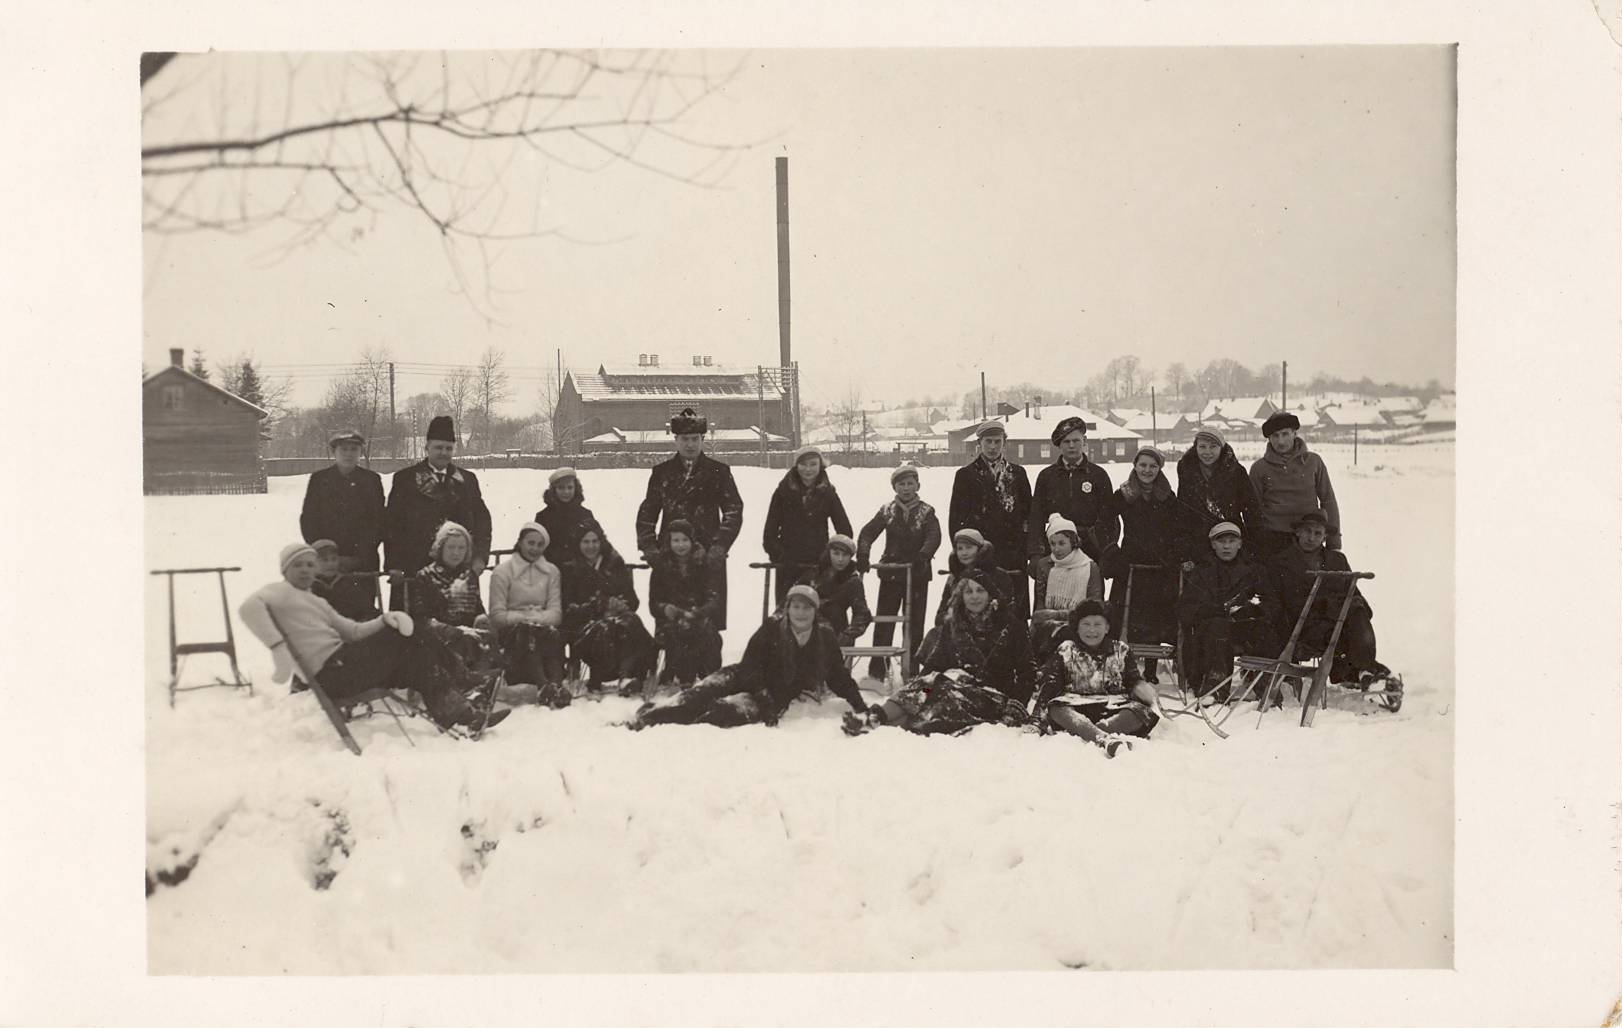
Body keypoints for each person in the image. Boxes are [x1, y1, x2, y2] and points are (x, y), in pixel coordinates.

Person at [238, 543, 508, 732]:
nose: (306, 570)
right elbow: (248, 608)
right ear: (285, 569)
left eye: (311, 564)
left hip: (346, 665)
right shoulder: (278, 592)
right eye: (298, 565)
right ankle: (462, 677)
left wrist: (384, 619)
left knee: (416, 657)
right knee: (409, 636)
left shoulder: (313, 600)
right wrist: (277, 649)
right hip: (333, 672)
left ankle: (460, 716)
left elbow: (353, 632)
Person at [631, 585, 873, 729]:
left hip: (777, 691)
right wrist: (761, 692)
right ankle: (650, 716)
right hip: (746, 675)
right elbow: (750, 664)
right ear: (787, 608)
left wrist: (859, 704)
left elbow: (838, 676)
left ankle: (688, 723)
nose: (801, 613)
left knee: (721, 714)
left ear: (815, 610)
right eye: (796, 607)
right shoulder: (772, 627)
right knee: (700, 693)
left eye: (807, 607)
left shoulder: (825, 638)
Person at [841, 570, 1034, 736]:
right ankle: (876, 718)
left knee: (936, 696)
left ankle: (878, 724)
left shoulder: (1010, 626)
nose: (974, 596)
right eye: (968, 591)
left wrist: (1016, 704)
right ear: (961, 596)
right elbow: (933, 667)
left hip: (991, 699)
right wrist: (918, 688)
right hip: (951, 688)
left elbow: (1027, 673)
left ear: (990, 594)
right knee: (926, 689)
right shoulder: (954, 625)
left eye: (980, 590)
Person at [1096, 446, 1203, 683]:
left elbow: (1183, 528)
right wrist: (1112, 548)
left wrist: (1177, 553)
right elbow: (1103, 521)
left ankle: (1152, 671)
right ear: (1135, 465)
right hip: (1131, 564)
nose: (1147, 470)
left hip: (1160, 566)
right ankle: (1121, 667)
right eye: (1143, 465)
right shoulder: (1124, 493)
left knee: (1156, 618)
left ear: (1159, 469)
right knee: (1124, 617)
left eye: (1153, 466)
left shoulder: (1167, 495)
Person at [635, 407, 744, 629]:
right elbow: (647, 513)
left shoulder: (719, 472)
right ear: (675, 440)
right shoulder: (661, 473)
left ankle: (710, 664)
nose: (690, 444)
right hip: (671, 556)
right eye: (685, 439)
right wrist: (650, 548)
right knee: (669, 622)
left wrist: (719, 546)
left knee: (706, 624)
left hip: (706, 557)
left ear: (703, 439)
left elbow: (733, 509)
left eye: (695, 438)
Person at [1264, 511, 1396, 691]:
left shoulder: (1337, 560)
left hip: (1337, 621)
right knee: (1343, 635)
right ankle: (1363, 672)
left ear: (1325, 537)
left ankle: (1364, 671)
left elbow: (1354, 594)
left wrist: (1348, 608)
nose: (1311, 537)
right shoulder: (1279, 562)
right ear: (1298, 532)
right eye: (1307, 531)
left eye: (1318, 533)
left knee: (1357, 610)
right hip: (1302, 627)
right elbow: (1277, 603)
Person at [1030, 600, 1159, 758]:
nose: (1092, 630)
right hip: (1076, 708)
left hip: (1114, 709)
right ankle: (1104, 738)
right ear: (1077, 628)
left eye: (1097, 624)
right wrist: (1036, 720)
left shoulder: (1121, 649)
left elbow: (1133, 681)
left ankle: (1093, 731)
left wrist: (1141, 687)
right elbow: (1050, 686)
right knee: (1056, 708)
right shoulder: (1066, 649)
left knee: (1142, 712)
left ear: (1107, 627)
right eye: (1086, 624)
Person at [384, 416, 492, 604]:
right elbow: (391, 525)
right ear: (427, 448)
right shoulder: (406, 479)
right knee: (414, 627)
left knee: (459, 623)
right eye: (438, 447)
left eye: (448, 448)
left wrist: (480, 557)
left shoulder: (467, 480)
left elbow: (482, 521)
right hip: (414, 568)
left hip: (457, 569)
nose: (443, 453)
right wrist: (394, 565)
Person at [855, 463, 942, 680]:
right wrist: (863, 555)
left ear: (917, 485)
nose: (906, 488)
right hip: (891, 573)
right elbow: (867, 533)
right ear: (895, 487)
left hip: (917, 573)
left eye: (910, 483)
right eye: (901, 484)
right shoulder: (887, 511)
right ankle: (878, 669)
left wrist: (924, 555)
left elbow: (934, 535)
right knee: (885, 620)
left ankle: (911, 668)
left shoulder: (926, 511)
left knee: (914, 622)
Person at [1176, 522, 1278, 700]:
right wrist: (1216, 611)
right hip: (1210, 631)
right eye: (1221, 541)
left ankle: (1266, 688)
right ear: (1213, 544)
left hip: (1243, 627)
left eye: (1232, 541)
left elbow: (1270, 603)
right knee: (1217, 628)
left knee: (1265, 632)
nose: (1226, 546)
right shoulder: (1200, 572)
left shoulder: (1254, 571)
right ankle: (1215, 690)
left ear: (1240, 544)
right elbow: (1186, 609)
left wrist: (1249, 610)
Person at [949, 421, 1033, 617]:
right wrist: (962, 553)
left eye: (997, 441)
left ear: (1005, 443)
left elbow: (1028, 515)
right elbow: (956, 520)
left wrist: (1026, 548)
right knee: (979, 610)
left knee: (1013, 612)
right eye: (988, 442)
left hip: (1012, 555)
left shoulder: (1018, 474)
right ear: (980, 443)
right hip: (979, 555)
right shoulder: (965, 476)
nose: (993, 447)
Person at [561, 518, 657, 690]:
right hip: (585, 627)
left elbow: (632, 600)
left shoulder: (614, 563)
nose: (591, 546)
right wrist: (598, 606)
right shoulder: (570, 569)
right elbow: (568, 608)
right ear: (578, 543)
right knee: (604, 629)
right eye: (586, 542)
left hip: (617, 621)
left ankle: (626, 677)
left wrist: (620, 604)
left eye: (595, 541)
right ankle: (598, 678)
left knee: (631, 621)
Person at [762, 444, 854, 606]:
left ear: (821, 466)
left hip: (819, 566)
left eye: (813, 464)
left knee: (822, 614)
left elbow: (844, 530)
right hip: (789, 566)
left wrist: (831, 557)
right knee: (788, 612)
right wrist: (781, 557)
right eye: (803, 464)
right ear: (796, 466)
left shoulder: (828, 493)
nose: (808, 469)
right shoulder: (783, 492)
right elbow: (769, 533)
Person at [488, 522, 568, 705]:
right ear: (520, 542)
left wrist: (535, 620)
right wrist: (526, 618)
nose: (535, 548)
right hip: (512, 634)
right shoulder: (502, 572)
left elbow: (556, 614)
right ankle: (543, 686)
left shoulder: (551, 572)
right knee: (527, 631)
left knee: (554, 633)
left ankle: (556, 685)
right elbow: (497, 615)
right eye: (530, 543)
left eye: (540, 545)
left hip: (543, 631)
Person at [1249, 412, 1342, 557]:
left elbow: (1328, 499)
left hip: (1308, 537)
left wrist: (1334, 540)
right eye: (1275, 436)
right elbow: (1254, 509)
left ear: (1294, 433)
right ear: (1269, 439)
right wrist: (1257, 542)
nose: (1280, 441)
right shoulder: (1259, 468)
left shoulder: (1314, 462)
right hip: (1273, 539)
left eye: (1285, 434)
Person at [647, 519, 725, 686]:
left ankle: (709, 678)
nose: (680, 545)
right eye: (675, 540)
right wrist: (665, 608)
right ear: (669, 542)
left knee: (709, 636)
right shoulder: (662, 566)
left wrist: (699, 612)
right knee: (679, 632)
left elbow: (714, 598)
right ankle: (684, 677)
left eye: (684, 540)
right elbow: (654, 602)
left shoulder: (704, 564)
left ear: (692, 541)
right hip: (670, 620)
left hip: (697, 616)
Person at [1027, 415, 1115, 562]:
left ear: (1084, 442)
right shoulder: (1047, 476)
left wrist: (1106, 550)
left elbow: (1109, 518)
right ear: (1060, 445)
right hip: (1055, 550)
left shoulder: (1098, 475)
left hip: (1090, 552)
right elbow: (1036, 517)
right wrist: (1036, 554)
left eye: (1076, 441)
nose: (1072, 445)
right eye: (1066, 442)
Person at [299, 429, 385, 576]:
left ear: (360, 452)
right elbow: (309, 518)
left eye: (354, 449)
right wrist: (326, 553)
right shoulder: (319, 480)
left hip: (362, 561)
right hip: (326, 562)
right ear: (334, 451)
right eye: (343, 449)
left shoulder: (371, 480)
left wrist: (359, 556)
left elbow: (378, 520)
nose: (349, 453)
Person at [405, 521, 489, 671]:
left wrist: (482, 620)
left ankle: (487, 683)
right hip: (439, 637)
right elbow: (420, 618)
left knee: (488, 637)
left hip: (469, 634)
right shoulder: (425, 575)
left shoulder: (469, 575)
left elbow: (477, 608)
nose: (456, 553)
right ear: (441, 547)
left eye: (461, 548)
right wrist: (455, 631)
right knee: (465, 641)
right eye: (451, 547)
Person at [1027, 514, 1104, 661]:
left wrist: (1060, 616)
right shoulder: (1045, 565)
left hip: (1080, 622)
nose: (1056, 549)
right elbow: (1040, 603)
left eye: (1062, 543)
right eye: (1052, 544)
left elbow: (1095, 605)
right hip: (1049, 623)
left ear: (1073, 542)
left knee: (1067, 637)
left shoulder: (1089, 567)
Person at [1176, 427, 1260, 541]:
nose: (1207, 452)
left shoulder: (1236, 471)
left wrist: (1254, 539)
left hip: (1229, 535)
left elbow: (1250, 507)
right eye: (1202, 447)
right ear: (1195, 447)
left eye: (1213, 447)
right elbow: (1183, 505)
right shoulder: (1186, 469)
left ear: (1222, 448)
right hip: (1197, 535)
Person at [795, 534, 872, 646]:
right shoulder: (814, 574)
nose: (840, 559)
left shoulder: (853, 582)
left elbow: (863, 614)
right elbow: (792, 600)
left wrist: (847, 635)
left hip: (835, 632)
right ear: (829, 553)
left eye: (845, 555)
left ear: (850, 557)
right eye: (836, 554)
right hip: (807, 630)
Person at [935, 528, 1013, 625]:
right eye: (960, 548)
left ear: (980, 549)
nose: (964, 553)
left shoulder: (999, 575)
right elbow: (941, 614)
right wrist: (951, 618)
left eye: (969, 547)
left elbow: (1008, 609)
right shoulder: (954, 578)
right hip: (960, 632)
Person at [309, 538, 381, 622]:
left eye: (334, 559)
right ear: (313, 563)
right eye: (324, 560)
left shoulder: (347, 583)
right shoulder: (309, 587)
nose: (330, 564)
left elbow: (366, 608)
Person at [534, 467, 595, 563]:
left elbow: (595, 545)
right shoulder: (543, 517)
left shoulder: (585, 515)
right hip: (551, 572)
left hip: (580, 572)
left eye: (570, 487)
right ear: (554, 490)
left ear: (576, 489)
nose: (566, 492)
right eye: (561, 487)